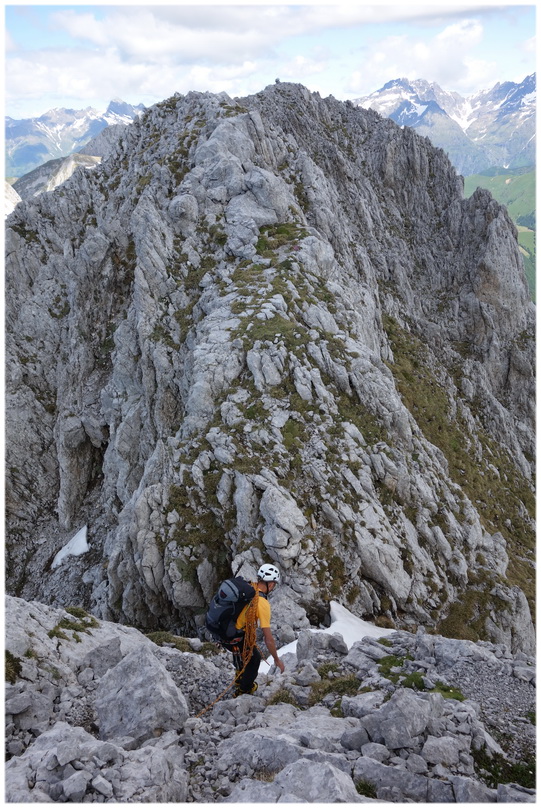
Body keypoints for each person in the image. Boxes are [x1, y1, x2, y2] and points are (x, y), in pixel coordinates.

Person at [230, 563, 285, 696]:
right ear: (270, 584)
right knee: (254, 659)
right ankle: (244, 689)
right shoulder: (262, 603)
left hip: (226, 630)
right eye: (274, 585)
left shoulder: (249, 587)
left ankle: (239, 677)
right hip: (235, 635)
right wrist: (277, 660)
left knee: (244, 649)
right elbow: (268, 639)